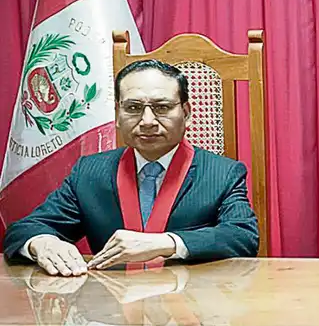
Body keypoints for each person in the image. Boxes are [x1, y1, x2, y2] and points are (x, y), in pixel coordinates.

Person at [4, 60, 259, 276]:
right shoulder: (90, 172)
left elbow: (242, 236)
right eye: (133, 108)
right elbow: (23, 229)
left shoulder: (223, 173)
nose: (147, 121)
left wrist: (166, 243)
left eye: (162, 108)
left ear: (187, 112)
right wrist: (42, 243)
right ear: (117, 114)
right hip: (111, 314)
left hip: (189, 315)